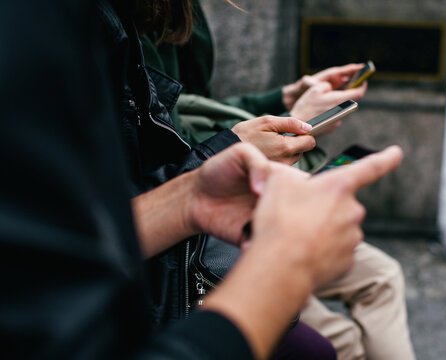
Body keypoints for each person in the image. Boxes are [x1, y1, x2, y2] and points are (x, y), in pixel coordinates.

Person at [0, 1, 403, 358]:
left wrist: (191, 195)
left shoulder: (105, 18)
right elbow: (58, 315)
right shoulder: (47, 25)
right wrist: (284, 268)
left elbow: (86, 229)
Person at [141, 1, 416, 359]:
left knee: (378, 280)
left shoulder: (174, 11)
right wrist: (288, 121)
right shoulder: (117, 24)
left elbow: (196, 112)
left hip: (203, 222)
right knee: (330, 344)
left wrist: (283, 100)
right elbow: (169, 144)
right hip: (190, 253)